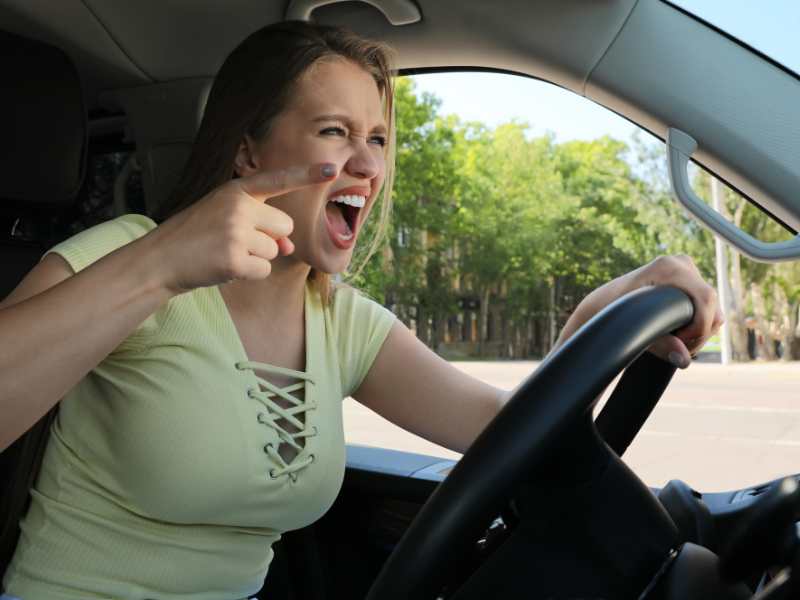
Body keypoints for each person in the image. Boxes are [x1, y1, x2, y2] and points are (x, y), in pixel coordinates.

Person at [0, 20, 722, 600]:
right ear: (247, 153)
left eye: (375, 139)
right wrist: (162, 263)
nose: (371, 166)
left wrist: (604, 309)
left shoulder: (341, 320)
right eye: (334, 133)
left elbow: (519, 433)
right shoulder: (127, 255)